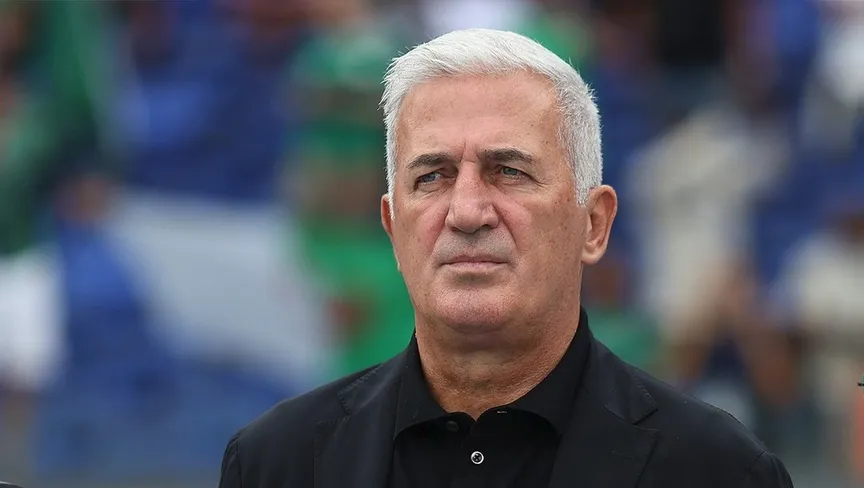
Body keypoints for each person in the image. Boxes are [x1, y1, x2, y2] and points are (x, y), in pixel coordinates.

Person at [217, 29, 794, 488]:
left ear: (594, 225)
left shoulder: (719, 472)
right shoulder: (274, 465)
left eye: (509, 171)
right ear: (393, 228)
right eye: (432, 176)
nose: (467, 211)